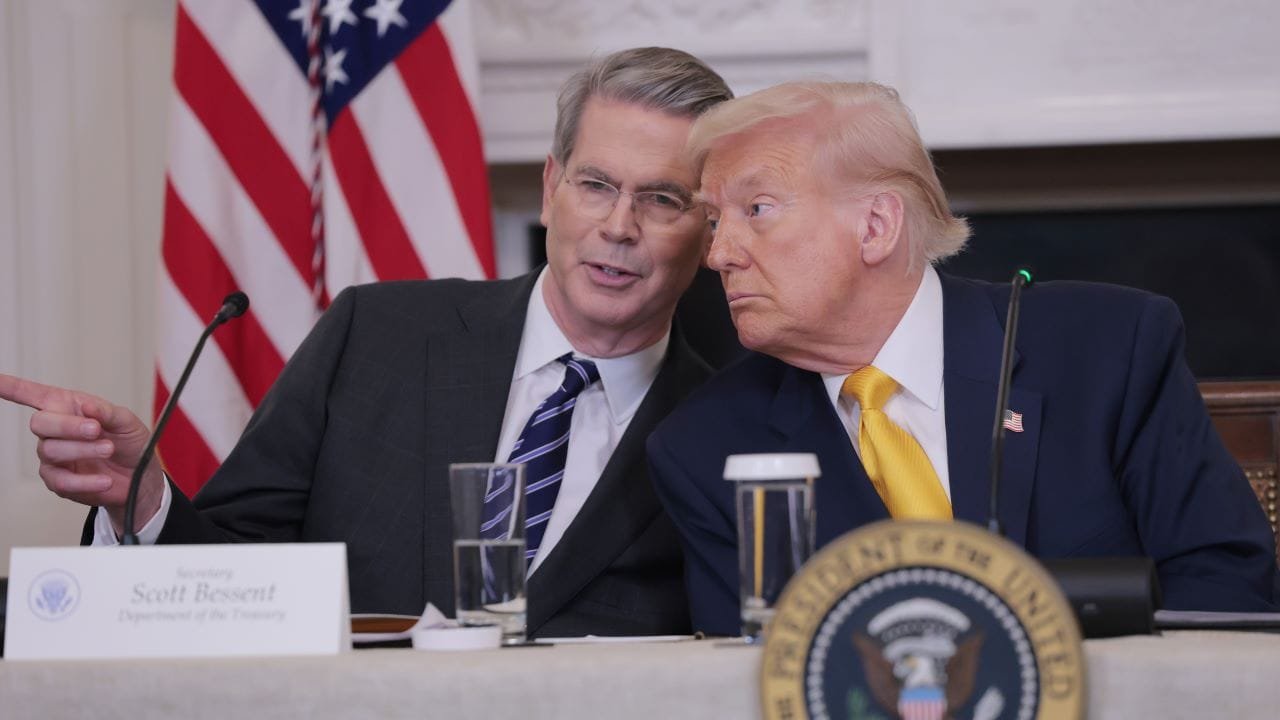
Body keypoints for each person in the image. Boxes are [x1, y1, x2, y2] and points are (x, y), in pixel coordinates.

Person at [0, 47, 734, 639]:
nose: (618, 226)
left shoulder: (727, 430)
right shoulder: (375, 336)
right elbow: (232, 572)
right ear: (551, 189)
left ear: (709, 232)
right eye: (596, 185)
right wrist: (144, 499)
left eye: (661, 199)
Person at [646, 81, 1278, 636]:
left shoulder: (1109, 349)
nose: (718, 254)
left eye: (757, 210)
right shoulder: (704, 447)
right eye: (714, 221)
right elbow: (745, 674)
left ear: (876, 226)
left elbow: (1225, 592)